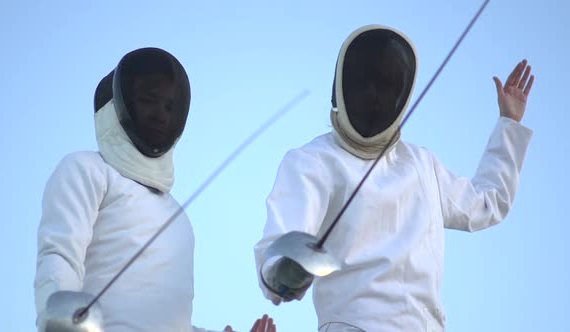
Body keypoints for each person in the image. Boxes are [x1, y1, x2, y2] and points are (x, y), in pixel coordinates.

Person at [254, 24, 534, 332]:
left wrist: (509, 124)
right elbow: (281, 245)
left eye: (388, 86)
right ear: (340, 88)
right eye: (364, 83)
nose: (375, 96)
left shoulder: (422, 164)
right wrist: (282, 273)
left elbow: (488, 202)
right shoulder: (314, 161)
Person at [35, 47, 276, 332]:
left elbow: (170, 322)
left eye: (170, 107)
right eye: (150, 100)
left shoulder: (178, 217)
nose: (161, 115)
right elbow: (60, 256)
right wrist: (59, 321)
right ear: (119, 106)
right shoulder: (87, 169)